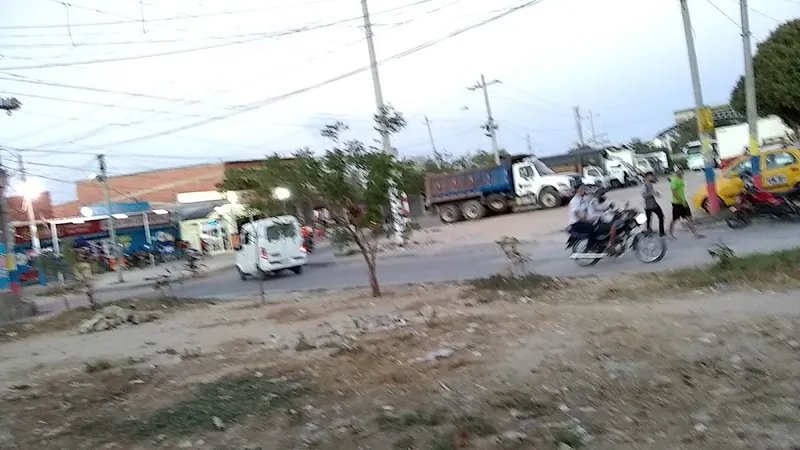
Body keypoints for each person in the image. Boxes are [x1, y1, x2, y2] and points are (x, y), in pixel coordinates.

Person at [668, 168, 704, 239]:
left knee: (689, 217)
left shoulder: (680, 179)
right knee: (675, 219)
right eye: (680, 171)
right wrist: (682, 201)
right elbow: (674, 193)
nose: (681, 172)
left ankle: (695, 233)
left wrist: (683, 201)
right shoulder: (674, 181)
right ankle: (670, 233)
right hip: (677, 203)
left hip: (684, 201)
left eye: (681, 171)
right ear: (677, 172)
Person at [587, 188, 619, 253]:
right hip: (598, 222)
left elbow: (611, 207)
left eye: (603, 194)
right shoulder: (592, 203)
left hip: (607, 219)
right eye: (601, 194)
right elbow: (591, 214)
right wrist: (603, 213)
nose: (602, 195)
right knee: (613, 227)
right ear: (596, 195)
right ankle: (611, 246)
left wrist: (616, 210)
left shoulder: (605, 200)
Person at [642, 172, 666, 237]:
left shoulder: (650, 184)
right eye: (651, 176)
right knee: (649, 219)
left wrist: (656, 194)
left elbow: (651, 192)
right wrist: (652, 193)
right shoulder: (644, 185)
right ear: (647, 177)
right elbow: (644, 195)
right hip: (649, 205)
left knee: (660, 216)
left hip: (653, 204)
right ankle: (650, 232)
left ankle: (661, 232)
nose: (652, 177)